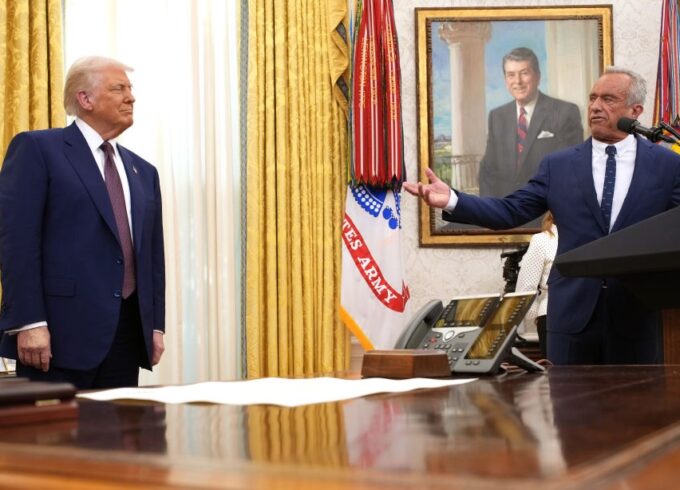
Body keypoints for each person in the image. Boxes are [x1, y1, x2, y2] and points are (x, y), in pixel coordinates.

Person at [404, 66, 680, 365]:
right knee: (568, 410)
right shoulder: (558, 165)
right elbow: (511, 211)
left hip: (637, 317)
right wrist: (454, 200)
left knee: (638, 411)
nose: (596, 107)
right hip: (571, 319)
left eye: (609, 99)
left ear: (635, 109)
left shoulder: (667, 165)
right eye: (593, 98)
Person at [0, 56, 166, 389]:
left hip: (126, 336)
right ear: (85, 99)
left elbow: (152, 257)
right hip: (57, 338)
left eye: (130, 89)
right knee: (56, 440)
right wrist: (29, 322)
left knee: (119, 438)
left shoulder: (143, 171)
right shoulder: (38, 149)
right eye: (118, 88)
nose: (130, 97)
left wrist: (156, 326)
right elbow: (17, 241)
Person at [479, 47, 583, 199]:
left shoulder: (565, 112)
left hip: (547, 210)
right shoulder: (497, 116)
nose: (518, 81)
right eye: (511, 75)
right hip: (505, 211)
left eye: (524, 73)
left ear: (538, 76)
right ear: (505, 80)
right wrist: (491, 210)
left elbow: (570, 169)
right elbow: (488, 170)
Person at [515, 212, 557, 359]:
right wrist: (537, 315)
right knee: (556, 376)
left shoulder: (587, 236)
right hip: (552, 316)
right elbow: (526, 286)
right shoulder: (542, 240)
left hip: (589, 316)